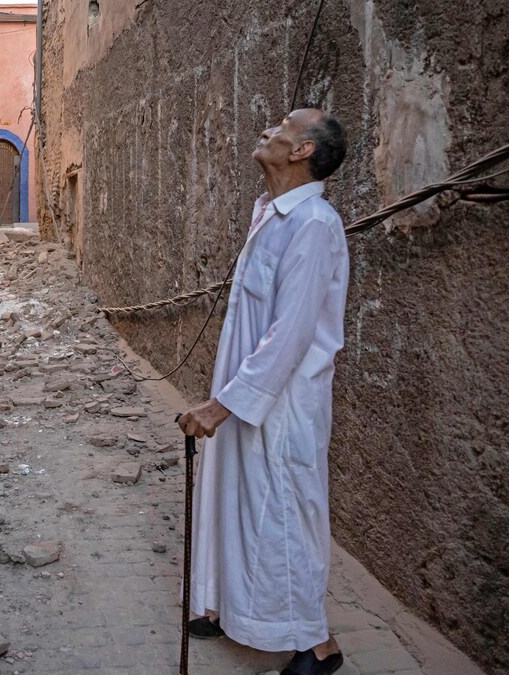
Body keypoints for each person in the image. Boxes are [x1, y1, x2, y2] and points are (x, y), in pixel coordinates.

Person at [177, 108, 349, 675]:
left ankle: (313, 644)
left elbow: (290, 336)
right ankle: (223, 604)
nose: (268, 130)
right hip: (248, 391)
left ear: (302, 151)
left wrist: (221, 405)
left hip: (284, 403)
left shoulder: (314, 224)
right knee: (232, 497)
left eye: (281, 126)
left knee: (284, 514)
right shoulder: (271, 215)